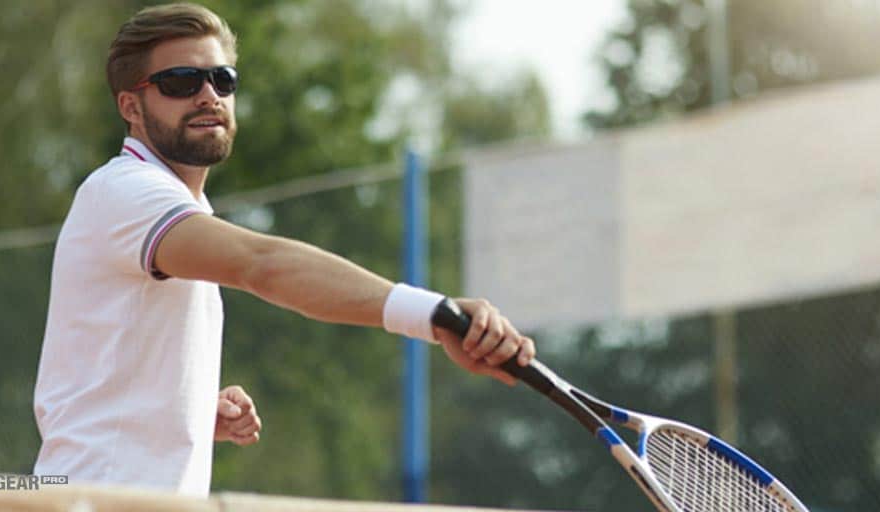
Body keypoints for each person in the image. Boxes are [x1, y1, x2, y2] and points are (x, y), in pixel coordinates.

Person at [32, 2, 536, 498]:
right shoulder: (125, 191)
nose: (208, 95)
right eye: (181, 82)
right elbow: (263, 266)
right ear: (130, 107)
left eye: (222, 79)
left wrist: (179, 406)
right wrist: (437, 315)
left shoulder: (170, 206)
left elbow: (106, 383)